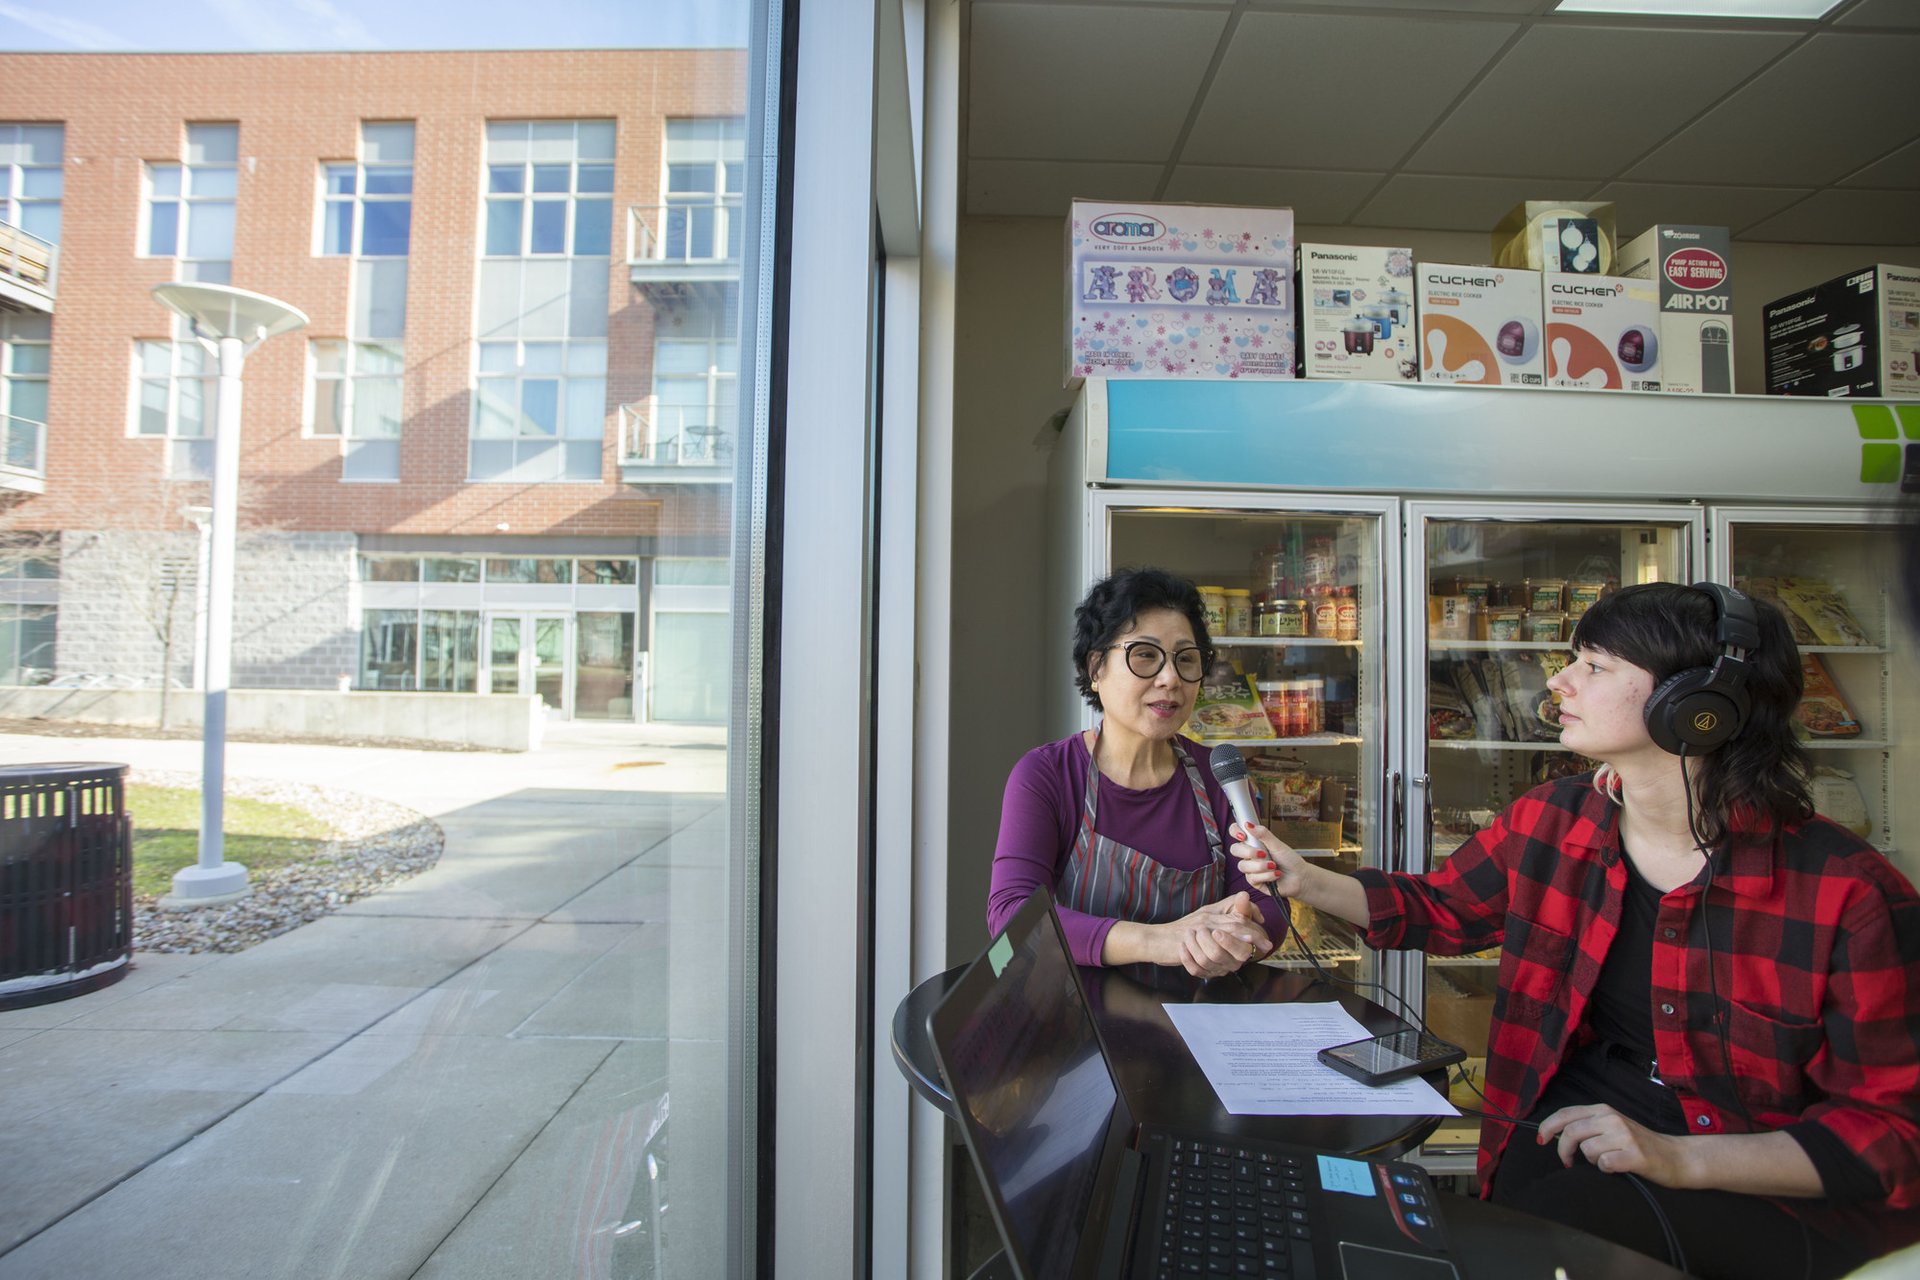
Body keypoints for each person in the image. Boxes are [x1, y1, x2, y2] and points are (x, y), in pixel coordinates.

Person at [1236, 582, 1920, 1280]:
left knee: (1558, 1231)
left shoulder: (1849, 894)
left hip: (1752, 1186)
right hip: (1565, 1135)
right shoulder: (1554, 819)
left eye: (1595, 666)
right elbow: (1446, 909)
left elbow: (1893, 1135)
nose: (1557, 682)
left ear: (1698, 709)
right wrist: (1307, 880)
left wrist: (1679, 1158)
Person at [987, 568, 1285, 977]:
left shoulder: (1220, 777)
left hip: (1201, 1016)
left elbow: (1268, 904)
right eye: (1145, 655)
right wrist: (1162, 940)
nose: (1170, 678)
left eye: (1186, 659)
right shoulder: (1048, 775)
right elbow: (1011, 917)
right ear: (1096, 669)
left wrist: (1240, 937)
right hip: (1080, 1019)